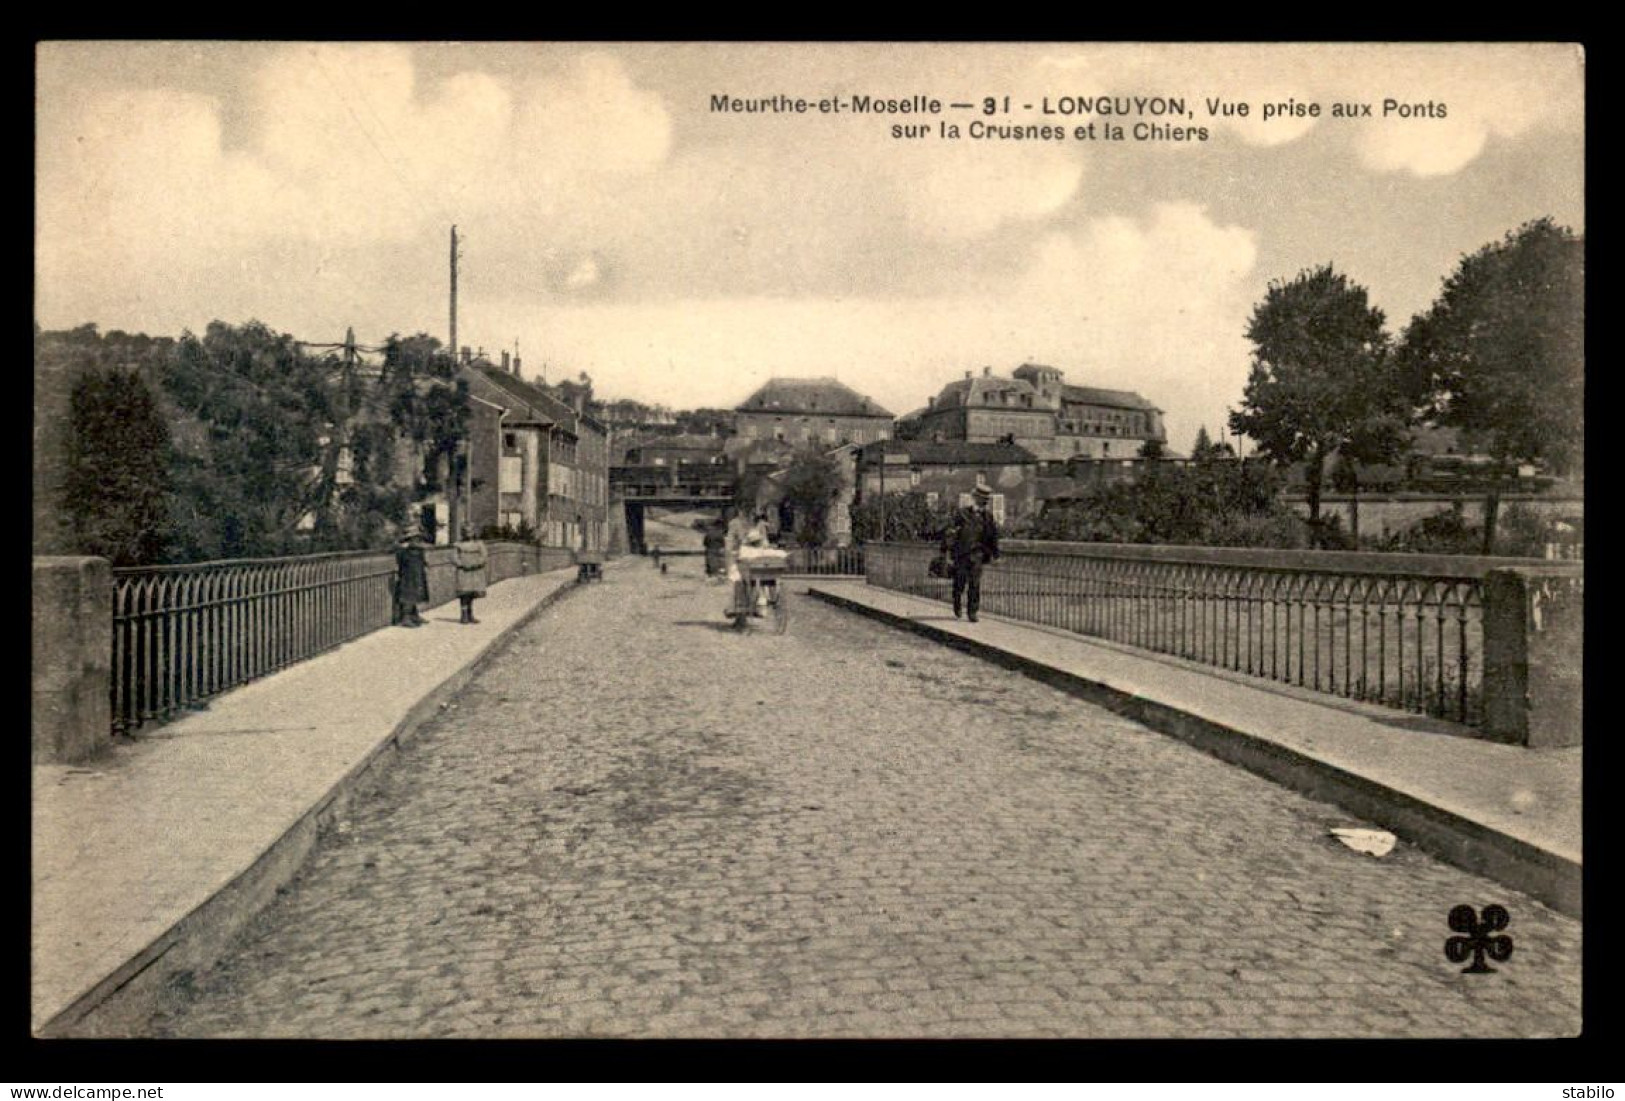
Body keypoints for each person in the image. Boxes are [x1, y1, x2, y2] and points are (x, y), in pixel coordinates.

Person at [941, 485, 1000, 622]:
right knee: (959, 583)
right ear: (975, 498)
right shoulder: (962, 514)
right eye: (982, 499)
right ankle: (957, 602)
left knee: (975, 584)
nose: (984, 502)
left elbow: (993, 537)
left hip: (977, 555)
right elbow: (949, 533)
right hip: (961, 555)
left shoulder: (988, 517)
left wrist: (995, 555)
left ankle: (972, 612)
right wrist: (947, 552)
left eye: (986, 500)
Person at [394, 531, 430, 628]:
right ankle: (406, 618)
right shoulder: (403, 551)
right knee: (408, 595)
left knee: (417, 594)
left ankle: (414, 615)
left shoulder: (419, 551)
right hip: (408, 576)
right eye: (414, 539)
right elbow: (400, 562)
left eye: (418, 539)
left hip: (418, 574)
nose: (417, 541)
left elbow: (424, 562)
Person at [454, 526, 489, 625]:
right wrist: (461, 564)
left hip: (475, 571)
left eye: (470, 532)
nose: (468, 534)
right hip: (463, 571)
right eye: (466, 532)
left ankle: (470, 614)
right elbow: (454, 557)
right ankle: (463, 615)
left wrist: (477, 563)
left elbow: (484, 556)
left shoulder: (479, 544)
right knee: (464, 593)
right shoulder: (458, 545)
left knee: (472, 593)